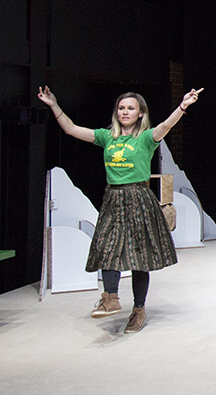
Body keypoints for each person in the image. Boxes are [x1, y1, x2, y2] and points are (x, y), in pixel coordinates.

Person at [37, 85, 202, 333]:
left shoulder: (146, 138)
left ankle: (138, 310)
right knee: (105, 247)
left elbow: (165, 127)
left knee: (139, 258)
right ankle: (111, 297)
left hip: (138, 197)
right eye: (122, 108)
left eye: (130, 108)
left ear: (140, 113)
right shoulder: (107, 137)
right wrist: (53, 104)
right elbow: (71, 129)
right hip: (113, 198)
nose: (125, 112)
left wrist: (183, 106)